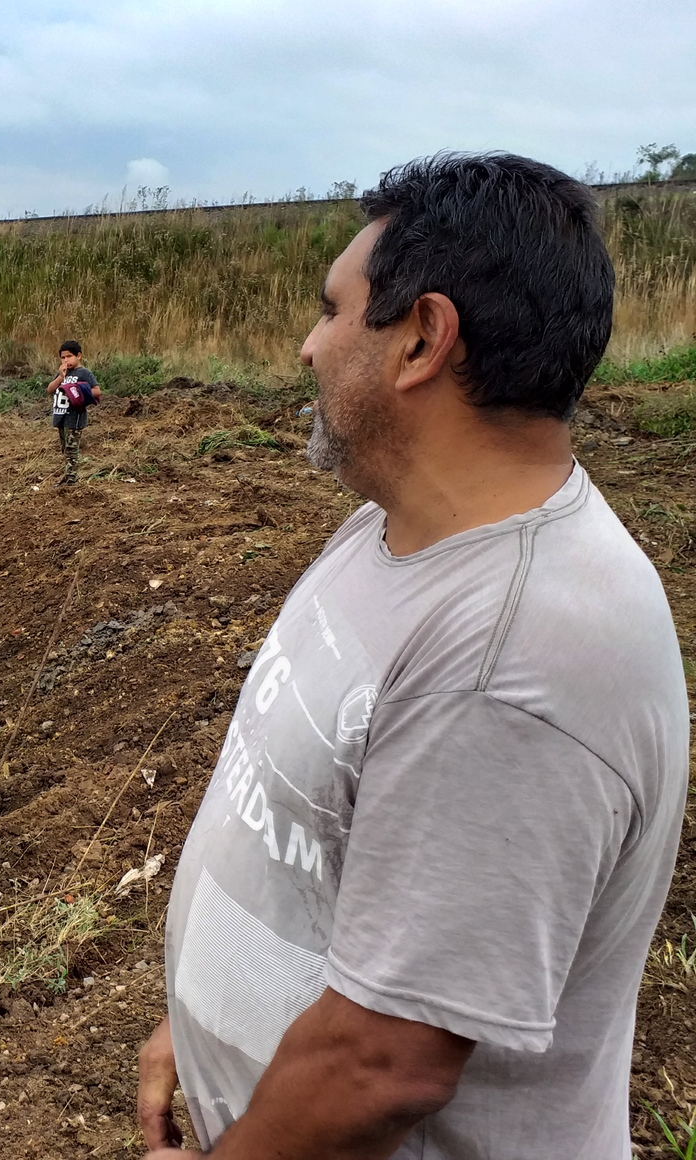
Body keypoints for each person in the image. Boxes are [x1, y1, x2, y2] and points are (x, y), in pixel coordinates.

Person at [137, 152, 687, 1159]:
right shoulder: (387, 531)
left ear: (421, 339)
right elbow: (309, 837)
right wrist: (202, 1016)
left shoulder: (517, 655)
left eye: (330, 309)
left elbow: (382, 1068)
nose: (306, 347)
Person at [45, 340, 101, 485]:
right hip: (61, 416)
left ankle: (71, 479)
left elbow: (97, 391)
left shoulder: (84, 373)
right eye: (63, 358)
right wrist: (61, 377)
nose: (66, 360)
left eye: (69, 356)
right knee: (65, 449)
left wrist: (78, 390)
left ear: (79, 356)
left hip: (74, 418)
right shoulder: (63, 373)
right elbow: (50, 389)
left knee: (71, 450)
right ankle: (68, 475)